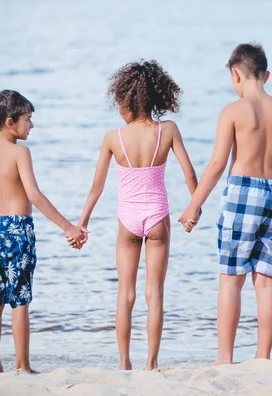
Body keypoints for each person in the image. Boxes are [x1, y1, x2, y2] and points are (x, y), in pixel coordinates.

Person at [179, 43, 272, 364]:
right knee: (267, 281)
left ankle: (226, 359)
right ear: (266, 75)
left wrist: (194, 204)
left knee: (231, 279)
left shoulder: (232, 111)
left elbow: (217, 164)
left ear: (236, 74)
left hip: (241, 193)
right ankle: (262, 357)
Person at [75, 60, 198, 370]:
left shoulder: (113, 138)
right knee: (154, 293)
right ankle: (152, 364)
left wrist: (83, 223)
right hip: (158, 217)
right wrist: (193, 209)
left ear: (126, 100)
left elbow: (96, 187)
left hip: (127, 220)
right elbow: (190, 174)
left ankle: (124, 362)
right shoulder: (167, 130)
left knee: (125, 293)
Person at [0, 90, 86, 374]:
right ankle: (22, 366)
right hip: (16, 230)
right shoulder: (20, 152)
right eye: (28, 119)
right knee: (20, 300)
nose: (32, 126)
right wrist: (68, 226)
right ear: (11, 122)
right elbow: (34, 196)